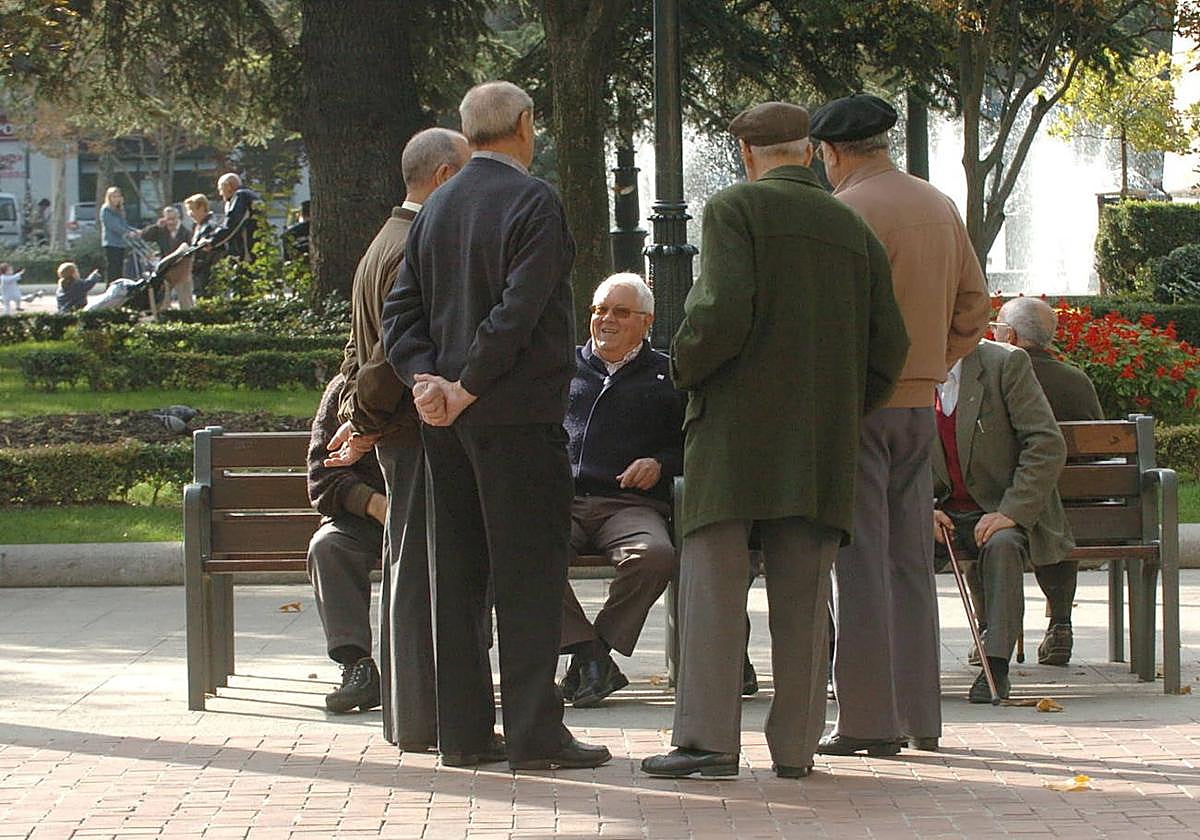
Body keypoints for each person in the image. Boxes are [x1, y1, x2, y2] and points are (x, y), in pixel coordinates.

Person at [641, 101, 910, 780]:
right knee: (804, 599)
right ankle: (795, 748)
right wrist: (843, 406)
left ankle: (707, 742)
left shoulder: (735, 209)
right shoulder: (851, 226)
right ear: (810, 151)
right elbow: (890, 345)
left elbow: (719, 313)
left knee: (713, 589)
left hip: (732, 434)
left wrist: (683, 367)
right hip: (818, 442)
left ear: (746, 153)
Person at [382, 80, 610, 772]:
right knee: (528, 579)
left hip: (444, 426)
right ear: (525, 124)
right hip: (516, 418)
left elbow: (401, 313)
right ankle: (536, 735)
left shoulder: (435, 205)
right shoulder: (533, 201)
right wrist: (467, 385)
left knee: (457, 578)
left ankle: (465, 734)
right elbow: (520, 309)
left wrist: (427, 382)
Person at [808, 93, 990, 757]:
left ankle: (867, 720)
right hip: (918, 405)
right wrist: (933, 363)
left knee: (859, 563)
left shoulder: (844, 212)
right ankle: (920, 714)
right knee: (910, 561)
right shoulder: (937, 204)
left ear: (830, 151)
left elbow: (827, 321)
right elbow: (975, 305)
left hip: (860, 406)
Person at [325, 126, 470, 752]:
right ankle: (421, 717)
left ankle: (413, 717)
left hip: (398, 429)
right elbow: (390, 357)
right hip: (416, 431)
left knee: (410, 567)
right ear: (444, 177)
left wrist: (360, 421)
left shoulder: (386, 239)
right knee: (421, 573)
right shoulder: (415, 244)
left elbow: (365, 353)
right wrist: (364, 421)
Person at [557, 273, 685, 708]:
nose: (606, 319)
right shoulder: (562, 368)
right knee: (523, 553)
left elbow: (692, 442)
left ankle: (595, 654)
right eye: (600, 310)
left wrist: (660, 464)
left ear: (646, 321)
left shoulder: (667, 375)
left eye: (621, 312)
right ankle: (590, 655)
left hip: (630, 505)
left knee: (655, 555)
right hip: (564, 500)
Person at [933, 340, 1072, 702]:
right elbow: (895, 451)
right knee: (895, 546)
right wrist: (918, 509)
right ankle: (905, 664)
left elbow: (1046, 444)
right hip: (937, 510)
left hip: (999, 507)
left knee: (1003, 547)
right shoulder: (907, 368)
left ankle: (995, 666)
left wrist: (1011, 511)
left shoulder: (1005, 364)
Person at [995, 296, 1102, 666]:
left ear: (1010, 335)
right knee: (1057, 512)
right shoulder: (1077, 380)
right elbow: (1095, 453)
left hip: (1007, 509)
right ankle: (1060, 624)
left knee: (989, 514)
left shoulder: (997, 376)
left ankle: (988, 629)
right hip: (1080, 515)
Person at [306, 373, 387, 713]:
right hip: (362, 520)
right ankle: (357, 667)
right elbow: (322, 476)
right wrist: (375, 504)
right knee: (328, 547)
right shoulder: (343, 390)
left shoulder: (437, 381)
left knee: (465, 544)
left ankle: (452, 664)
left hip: (431, 512)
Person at [142, 206, 194, 310]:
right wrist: (156, 226)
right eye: (168, 219)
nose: (170, 222)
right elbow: (145, 236)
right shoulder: (161, 231)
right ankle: (164, 316)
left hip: (181, 269)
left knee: (185, 300)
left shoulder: (186, 232)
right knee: (163, 300)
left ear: (178, 218)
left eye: (173, 219)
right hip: (165, 269)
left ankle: (187, 316)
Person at [207, 173, 258, 260]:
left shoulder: (241, 196)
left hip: (247, 252)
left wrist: (212, 241)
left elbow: (232, 223)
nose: (220, 194)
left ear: (228, 186)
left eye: (220, 189)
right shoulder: (249, 196)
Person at [183, 194, 221, 298]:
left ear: (202, 208)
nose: (190, 214)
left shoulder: (210, 226)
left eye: (192, 209)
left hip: (207, 275)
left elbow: (209, 251)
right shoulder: (198, 226)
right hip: (199, 274)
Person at [100, 187, 139, 282]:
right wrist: (127, 233)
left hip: (121, 243)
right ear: (109, 197)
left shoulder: (119, 210)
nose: (116, 199)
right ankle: (110, 286)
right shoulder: (106, 210)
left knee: (120, 268)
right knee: (113, 269)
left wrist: (135, 231)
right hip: (111, 243)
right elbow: (114, 226)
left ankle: (119, 286)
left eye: (118, 196)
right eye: (114, 197)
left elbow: (124, 225)